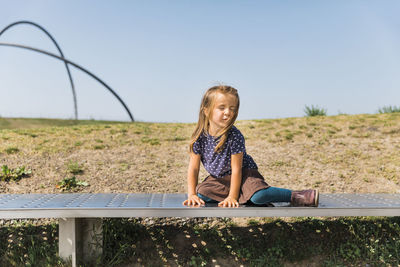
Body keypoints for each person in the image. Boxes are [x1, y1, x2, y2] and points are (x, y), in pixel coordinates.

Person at [182, 85, 318, 208]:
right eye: (221, 107)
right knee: (202, 193)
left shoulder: (234, 136)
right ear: (206, 111)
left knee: (259, 197)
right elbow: (193, 168)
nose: (228, 112)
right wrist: (191, 194)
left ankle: (296, 195)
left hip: (245, 174)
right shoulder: (199, 137)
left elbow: (236, 170)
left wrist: (232, 197)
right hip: (219, 180)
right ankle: (245, 196)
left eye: (232, 108)